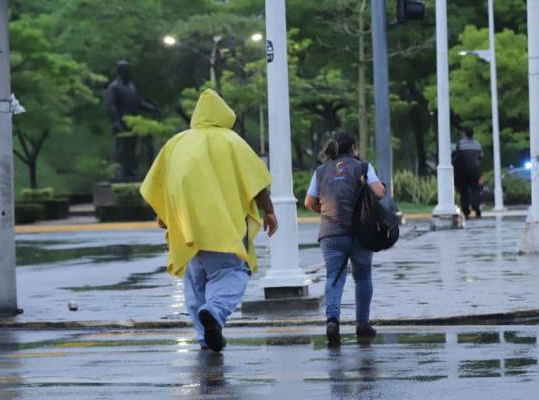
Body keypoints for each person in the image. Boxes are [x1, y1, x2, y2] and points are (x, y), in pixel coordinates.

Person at [141, 89, 276, 353]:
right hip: (222, 226)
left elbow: (160, 183)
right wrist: (269, 211)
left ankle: (205, 337)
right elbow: (256, 182)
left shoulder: (176, 143)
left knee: (196, 282)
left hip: (185, 226)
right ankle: (214, 312)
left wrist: (163, 213)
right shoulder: (231, 141)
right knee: (231, 272)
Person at [303, 132, 385, 345]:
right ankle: (363, 324)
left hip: (331, 234)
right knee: (363, 277)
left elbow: (309, 202)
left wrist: (327, 212)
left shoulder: (320, 171)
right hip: (360, 233)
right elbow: (379, 192)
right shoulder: (362, 167)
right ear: (353, 149)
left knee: (334, 277)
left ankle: (332, 320)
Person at [452, 126, 484, 219]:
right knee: (475, 189)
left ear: (464, 134)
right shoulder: (477, 144)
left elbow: (455, 157)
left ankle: (466, 211)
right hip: (474, 170)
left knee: (464, 191)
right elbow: (481, 156)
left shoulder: (459, 144)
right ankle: (476, 207)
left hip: (462, 171)